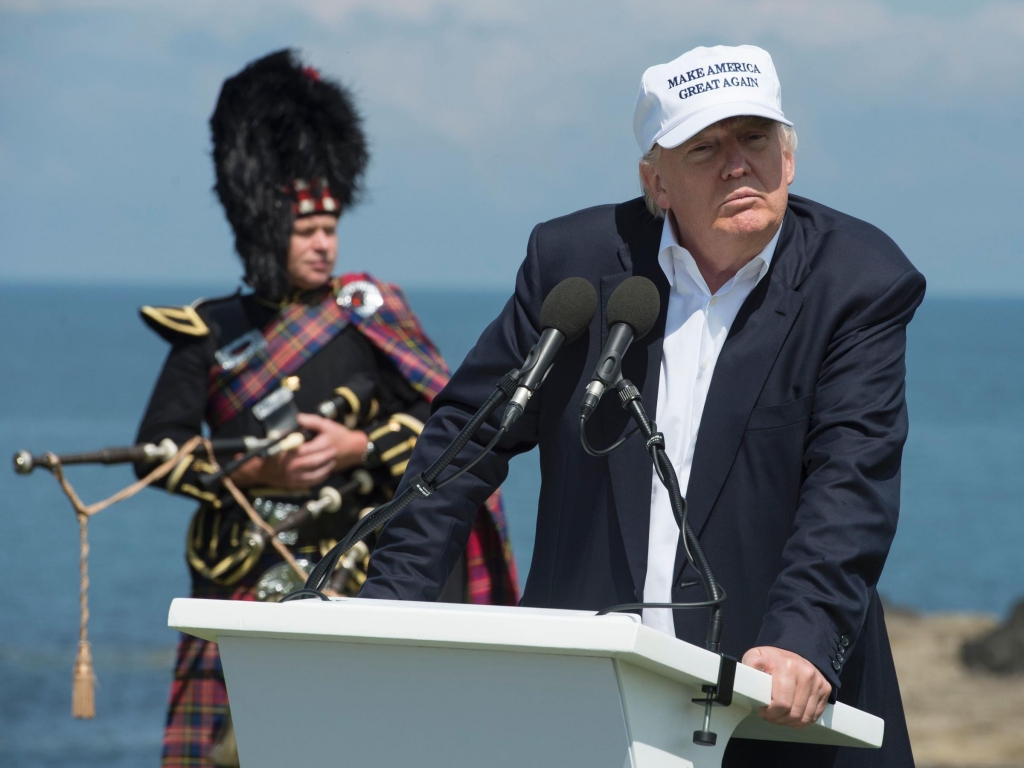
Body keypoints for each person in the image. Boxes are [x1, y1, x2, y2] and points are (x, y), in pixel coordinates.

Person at [359, 44, 925, 767]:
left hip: (778, 714)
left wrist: (801, 637)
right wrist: (387, 604)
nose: (737, 165)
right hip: (590, 702)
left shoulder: (861, 280)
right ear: (656, 183)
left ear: (789, 159)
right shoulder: (573, 265)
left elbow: (851, 481)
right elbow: (465, 441)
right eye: (705, 147)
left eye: (755, 139)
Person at [135, 50, 518, 768]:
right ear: (262, 227)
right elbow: (158, 451)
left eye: (331, 226)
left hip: (353, 577)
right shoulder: (209, 330)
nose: (324, 243)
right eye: (306, 229)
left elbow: (448, 433)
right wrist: (252, 472)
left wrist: (357, 449)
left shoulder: (368, 318)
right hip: (240, 584)